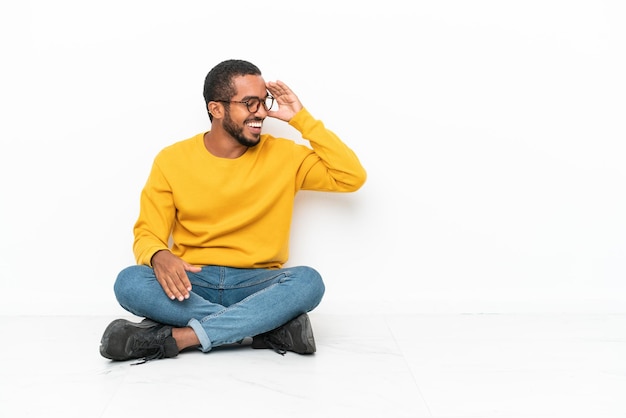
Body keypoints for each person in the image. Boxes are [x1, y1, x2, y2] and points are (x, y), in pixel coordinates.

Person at [99, 59, 367, 363]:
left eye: (263, 102)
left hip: (256, 284)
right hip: (191, 282)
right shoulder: (172, 160)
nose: (262, 113)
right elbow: (148, 232)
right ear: (216, 109)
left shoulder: (285, 156)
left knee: (308, 282)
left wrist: (302, 120)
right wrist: (158, 255)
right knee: (130, 282)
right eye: (249, 103)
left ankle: (182, 338)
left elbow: (351, 177)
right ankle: (265, 328)